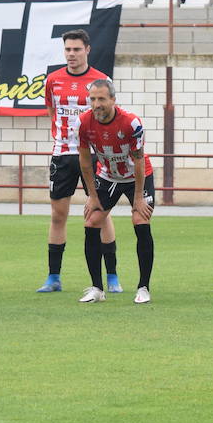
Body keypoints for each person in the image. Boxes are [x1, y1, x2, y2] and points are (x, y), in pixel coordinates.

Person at [38, 30, 119, 294]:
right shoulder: (53, 80)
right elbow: (52, 111)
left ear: (87, 50)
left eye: (76, 49)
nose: (71, 54)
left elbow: (108, 115)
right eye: (67, 49)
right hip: (63, 154)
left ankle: (112, 276)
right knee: (58, 215)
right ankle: (53, 277)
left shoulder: (101, 80)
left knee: (100, 214)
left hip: (95, 155)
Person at [77, 78, 155, 304]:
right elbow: (84, 162)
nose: (96, 104)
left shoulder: (131, 123)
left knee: (140, 220)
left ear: (113, 99)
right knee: (91, 221)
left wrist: (138, 198)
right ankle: (96, 289)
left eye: (101, 99)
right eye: (92, 99)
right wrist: (92, 196)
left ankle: (143, 287)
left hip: (136, 177)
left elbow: (139, 162)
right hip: (108, 176)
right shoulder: (83, 123)